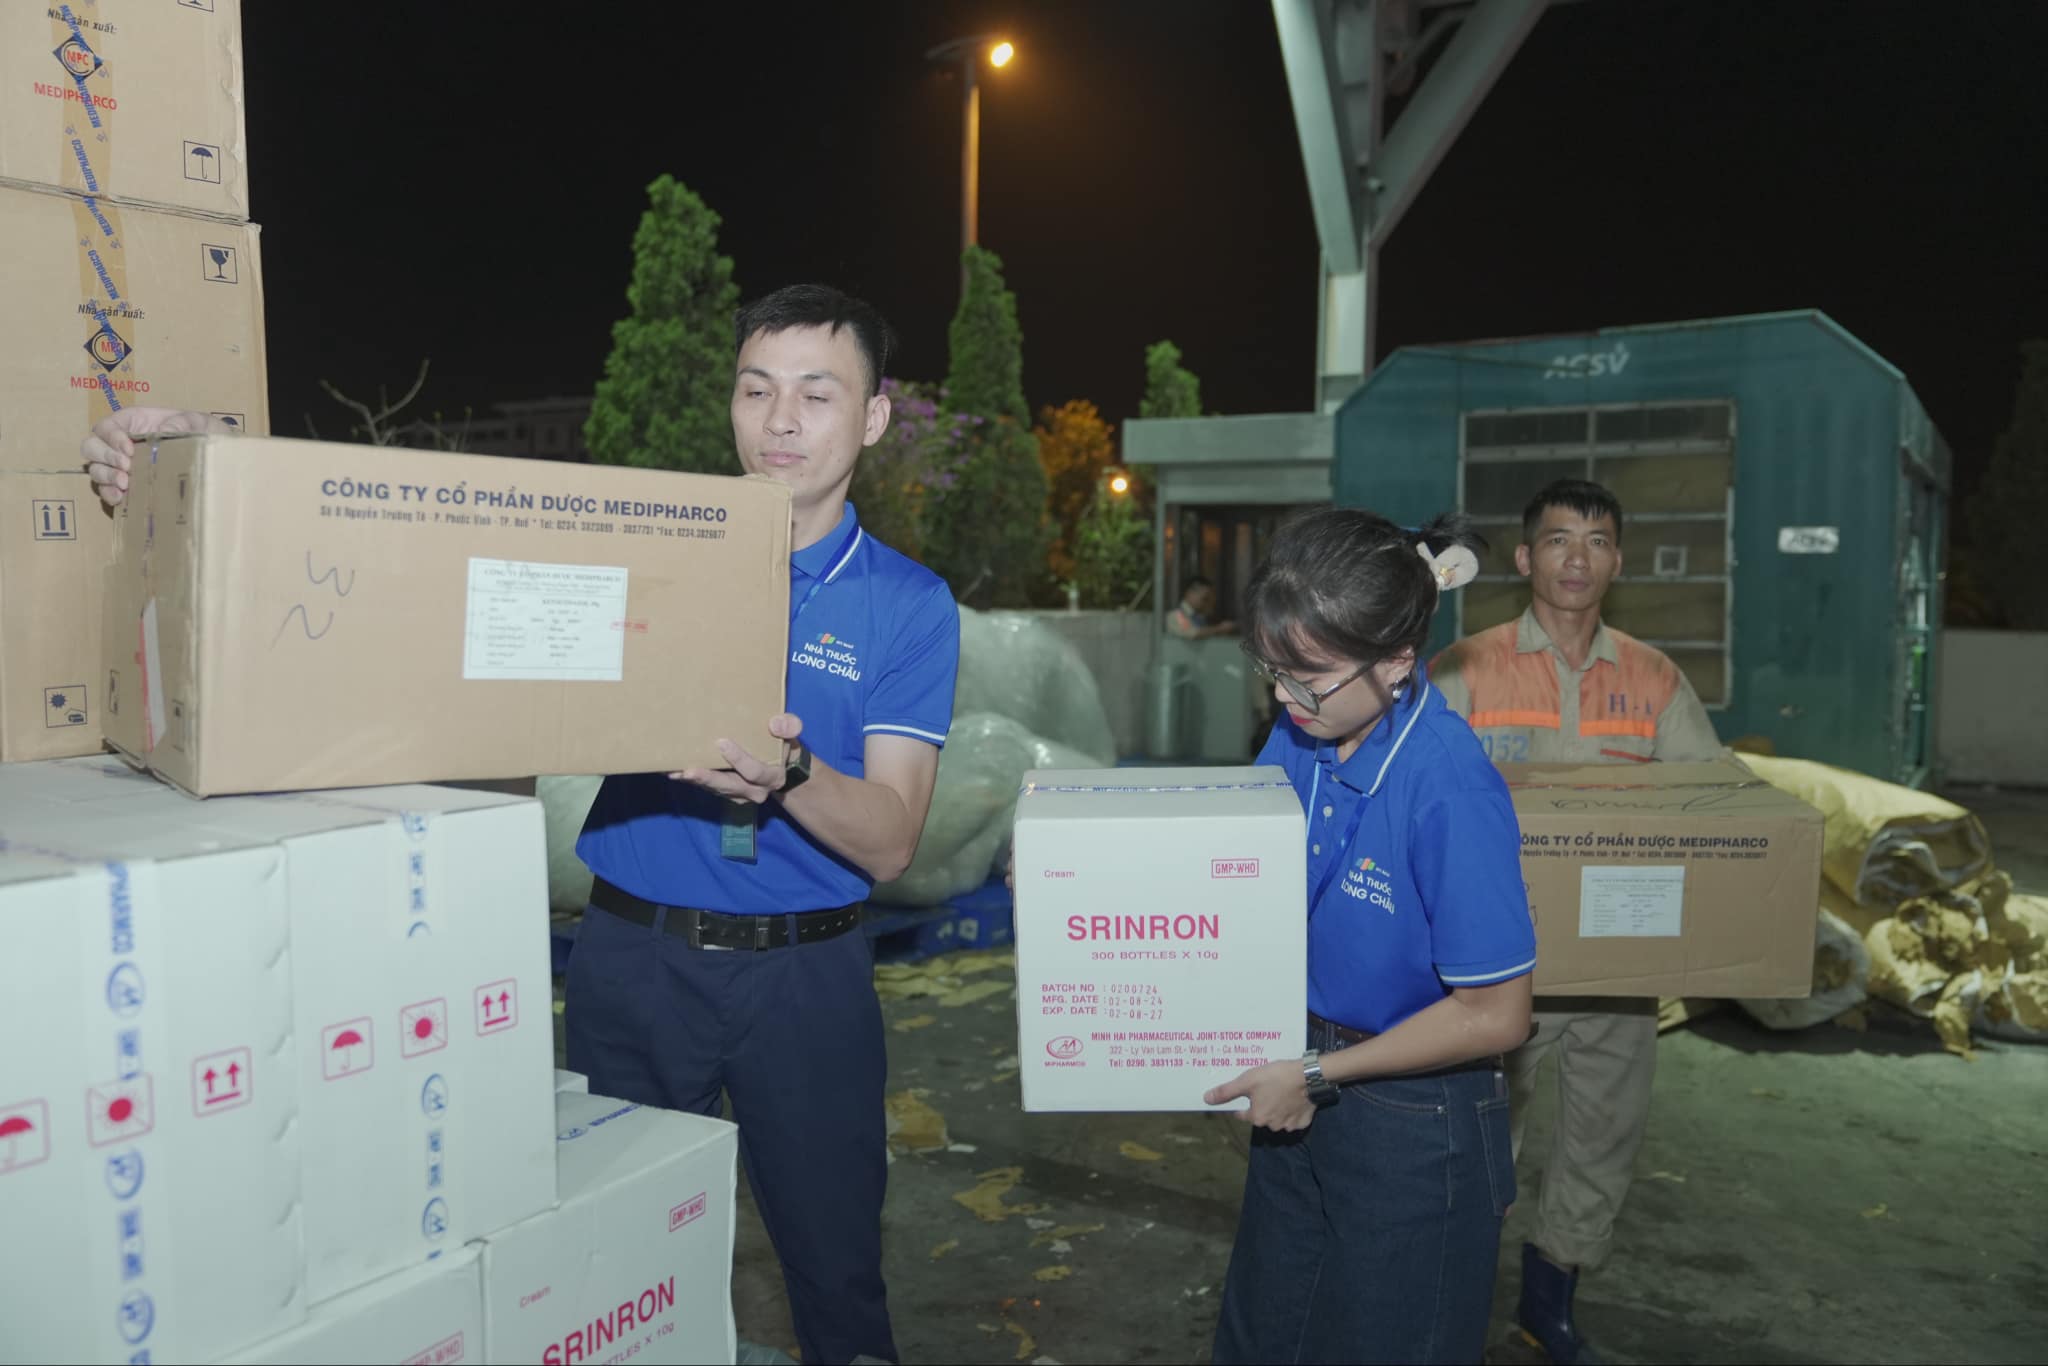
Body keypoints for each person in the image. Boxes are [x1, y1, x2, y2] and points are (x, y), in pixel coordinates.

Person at [83, 284, 959, 1366]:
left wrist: (790, 773)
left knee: (836, 1278)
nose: (780, 421)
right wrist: (201, 462)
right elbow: (426, 545)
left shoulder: (906, 602)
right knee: (614, 1272)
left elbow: (891, 837)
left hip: (805, 985)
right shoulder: (645, 550)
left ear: (872, 417)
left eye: (816, 395)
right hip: (633, 964)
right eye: (756, 389)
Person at [1201, 507, 1536, 1365]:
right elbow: (1233, 853)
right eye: (1273, 671)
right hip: (1299, 1073)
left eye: (1309, 678)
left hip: (1414, 1116)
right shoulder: (1304, 731)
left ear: (1396, 661)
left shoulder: (1448, 788)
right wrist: (1078, 873)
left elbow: (1497, 1013)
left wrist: (1317, 1075)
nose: (1285, 699)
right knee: (1264, 1337)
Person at [1429, 478, 1721, 1366]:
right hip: (1494, 965)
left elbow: (1716, 804)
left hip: (1619, 969)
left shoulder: (1654, 678)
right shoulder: (1466, 668)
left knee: (1601, 1142)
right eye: (1559, 540)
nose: (1576, 558)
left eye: (1595, 541)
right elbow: (1418, 799)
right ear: (1525, 557)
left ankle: (1547, 1308)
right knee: (1479, 1142)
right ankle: (1447, 1306)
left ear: (1616, 561)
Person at [1167, 574, 1236, 639]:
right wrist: (1220, 629)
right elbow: (1192, 633)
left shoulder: (1198, 616)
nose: (1205, 603)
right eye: (1204, 598)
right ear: (1190, 593)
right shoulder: (1177, 615)